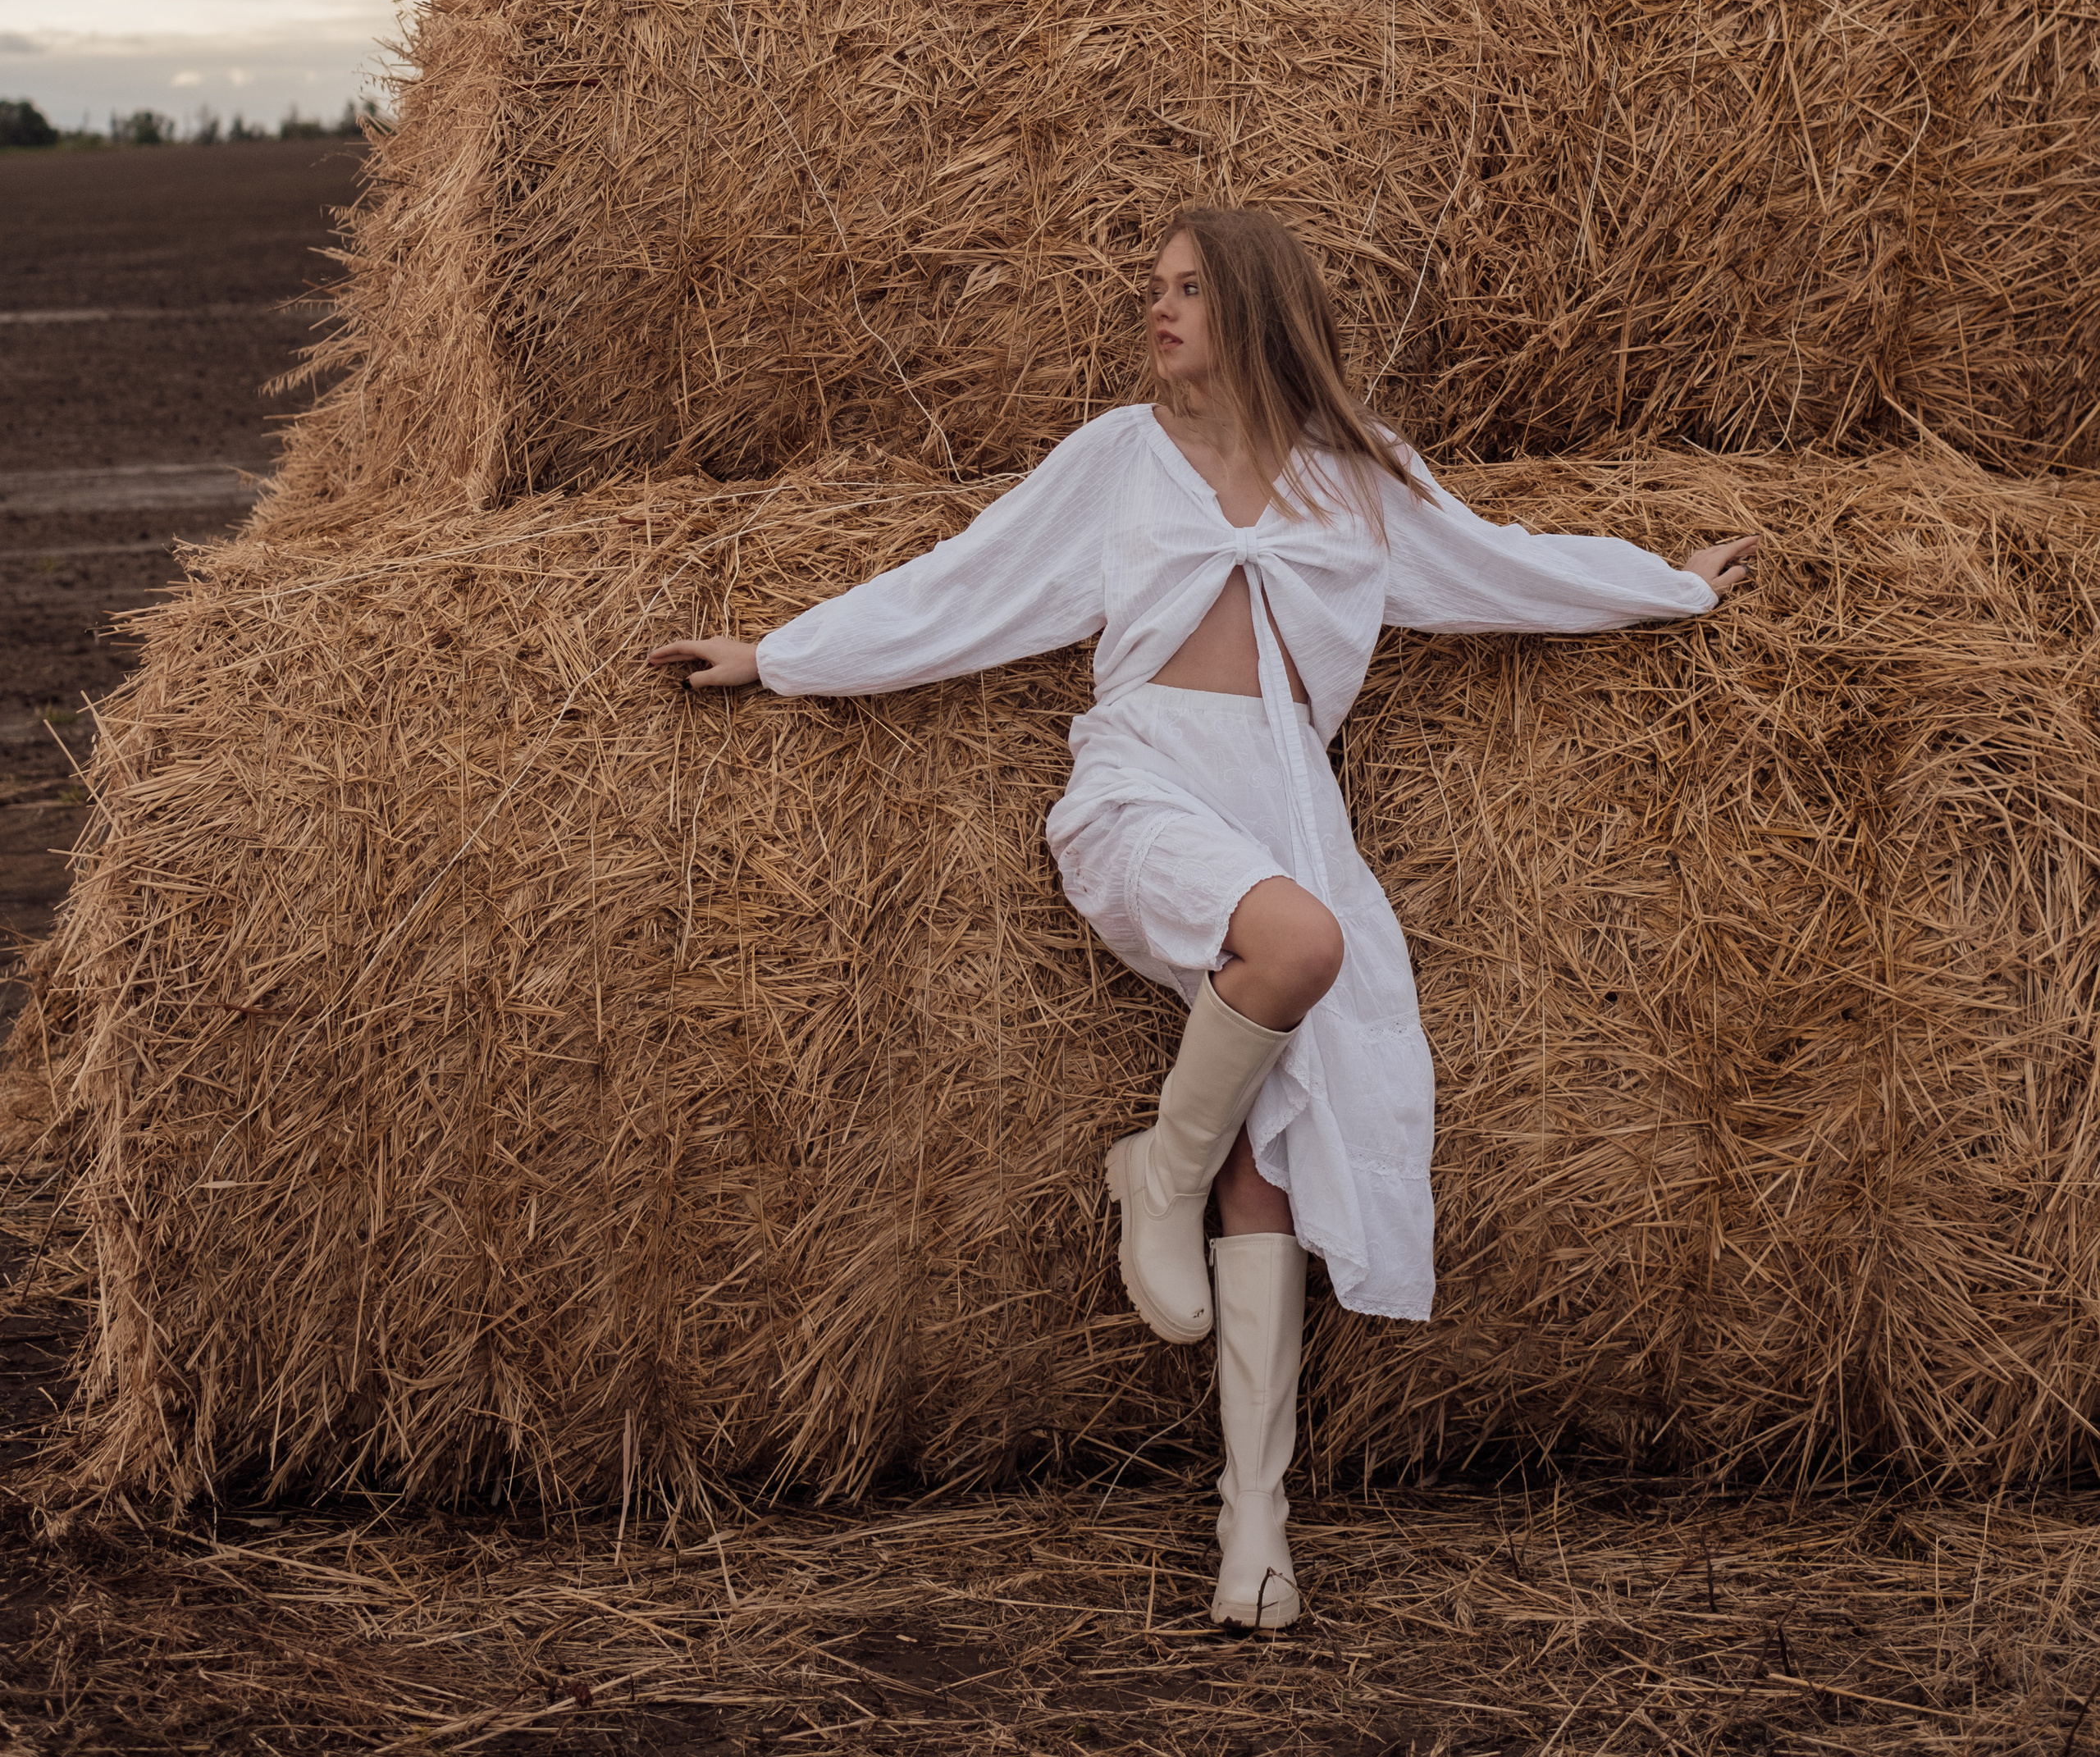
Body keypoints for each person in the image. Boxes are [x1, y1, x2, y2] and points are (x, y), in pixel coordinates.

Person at [650, 208, 1756, 1633]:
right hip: (1147, 788)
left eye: (1184, 289)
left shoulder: (1359, 480)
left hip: (1292, 809)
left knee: (1277, 1160)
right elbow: (964, 588)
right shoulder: (1116, 461)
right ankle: (1152, 1179)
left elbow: (1503, 566)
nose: (1156, 310)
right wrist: (780, 655)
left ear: (1251, 306)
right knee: (1302, 952)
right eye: (1152, 290)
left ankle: (1256, 1523)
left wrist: (1668, 588)